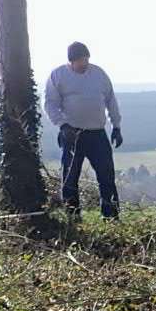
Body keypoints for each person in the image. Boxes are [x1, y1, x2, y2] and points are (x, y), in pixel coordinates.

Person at [44, 41, 125, 219]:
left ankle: (111, 215)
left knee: (107, 176)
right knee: (70, 177)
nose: (84, 63)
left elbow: (111, 100)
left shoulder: (99, 74)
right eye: (80, 60)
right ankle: (73, 215)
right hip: (72, 134)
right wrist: (63, 125)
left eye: (86, 59)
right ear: (71, 61)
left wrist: (116, 126)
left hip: (97, 133)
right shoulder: (58, 75)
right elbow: (50, 104)